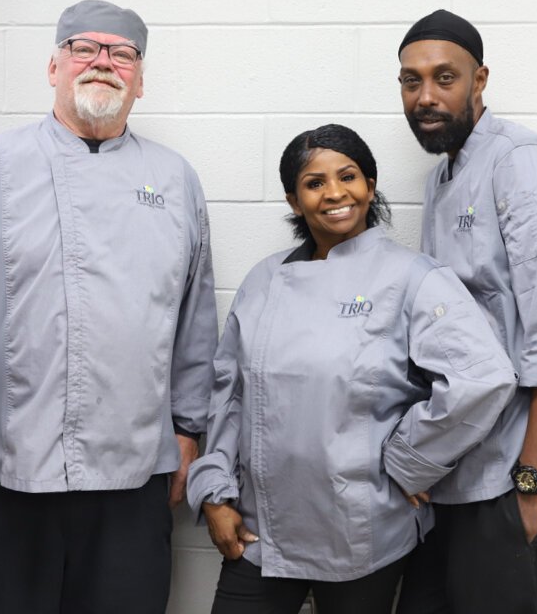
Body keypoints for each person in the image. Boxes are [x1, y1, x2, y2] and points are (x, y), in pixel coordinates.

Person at [0, 0, 218, 614]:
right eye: (84, 49)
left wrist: (188, 428)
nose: (103, 63)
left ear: (139, 80)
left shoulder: (175, 180)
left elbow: (195, 316)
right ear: (54, 66)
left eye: (122, 54)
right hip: (11, 474)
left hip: (133, 476)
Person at [188, 123, 516, 614]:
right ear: (294, 201)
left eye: (349, 176)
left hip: (362, 533)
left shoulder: (412, 277)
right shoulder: (263, 281)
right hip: (260, 531)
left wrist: (409, 463)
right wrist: (214, 493)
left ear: (370, 186)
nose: (335, 193)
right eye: (314, 183)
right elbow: (229, 394)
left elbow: (483, 377)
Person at [393, 10, 537, 614]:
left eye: (444, 78)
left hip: (518, 472)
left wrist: (532, 480)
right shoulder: (442, 177)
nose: (426, 96)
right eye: (411, 81)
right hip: (465, 469)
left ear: (479, 80)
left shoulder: (519, 159)